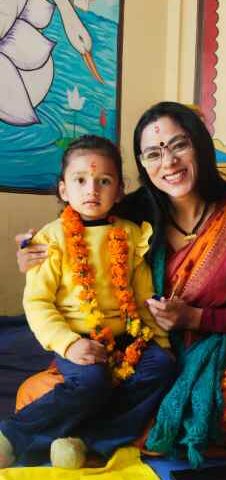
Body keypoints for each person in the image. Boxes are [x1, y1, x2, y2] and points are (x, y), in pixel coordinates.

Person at [16, 102, 226, 468]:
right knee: (34, 392)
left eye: (179, 145)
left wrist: (197, 319)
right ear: (142, 165)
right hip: (129, 357)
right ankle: (157, 422)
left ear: (199, 144)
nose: (168, 163)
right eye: (153, 153)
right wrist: (32, 255)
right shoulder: (129, 216)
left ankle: (102, 430)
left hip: (212, 356)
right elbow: (73, 240)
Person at [0, 134, 174, 469]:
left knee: (164, 366)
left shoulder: (131, 234)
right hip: (78, 337)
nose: (92, 190)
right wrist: (67, 345)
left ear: (120, 190)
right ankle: (13, 435)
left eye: (103, 181)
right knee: (92, 381)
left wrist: (161, 341)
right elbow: (38, 304)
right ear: (64, 190)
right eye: (80, 180)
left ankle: (88, 441)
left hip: (128, 337)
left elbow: (142, 295)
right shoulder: (49, 240)